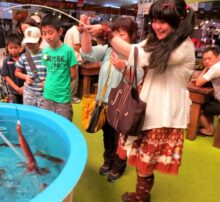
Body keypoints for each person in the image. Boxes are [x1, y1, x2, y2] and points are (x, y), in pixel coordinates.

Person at [82, 0, 196, 201]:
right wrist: (95, 33)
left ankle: (141, 196)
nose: (157, 26)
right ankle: (140, 194)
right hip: (145, 107)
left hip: (164, 113)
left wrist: (108, 35)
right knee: (141, 159)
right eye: (154, 20)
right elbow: (135, 51)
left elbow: (141, 56)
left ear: (179, 21)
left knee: (145, 162)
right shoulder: (155, 41)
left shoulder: (184, 47)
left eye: (164, 21)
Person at [80, 17, 142, 183]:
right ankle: (108, 160)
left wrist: (124, 68)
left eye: (121, 35)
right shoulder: (108, 49)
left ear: (132, 36)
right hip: (104, 103)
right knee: (107, 135)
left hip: (122, 105)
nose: (117, 38)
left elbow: (138, 79)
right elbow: (87, 53)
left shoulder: (135, 53)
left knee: (119, 138)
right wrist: (85, 31)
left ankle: (118, 166)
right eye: (114, 34)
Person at [40, 14, 77, 121]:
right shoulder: (45, 51)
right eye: (44, 33)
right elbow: (49, 71)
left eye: (51, 32)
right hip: (47, 95)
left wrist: (62, 84)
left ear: (59, 31)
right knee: (49, 124)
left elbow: (73, 75)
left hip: (63, 97)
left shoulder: (68, 50)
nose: (47, 36)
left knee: (64, 124)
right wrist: (46, 82)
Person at [15, 26, 46, 107]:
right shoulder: (24, 56)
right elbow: (17, 72)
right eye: (28, 43)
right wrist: (26, 77)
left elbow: (52, 70)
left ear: (40, 40)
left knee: (43, 115)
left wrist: (48, 81)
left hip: (44, 92)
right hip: (29, 92)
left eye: (33, 42)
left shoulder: (46, 54)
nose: (30, 45)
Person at [195, 46, 220, 136]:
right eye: (204, 59)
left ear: (218, 57)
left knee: (197, 108)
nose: (206, 61)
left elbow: (198, 83)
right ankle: (209, 125)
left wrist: (205, 69)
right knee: (208, 100)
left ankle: (208, 130)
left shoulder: (216, 67)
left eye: (209, 58)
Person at [0, 34, 24, 104]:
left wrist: (23, 88)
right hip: (13, 91)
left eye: (16, 47)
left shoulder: (25, 59)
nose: (13, 50)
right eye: (11, 48)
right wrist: (17, 88)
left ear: (20, 47)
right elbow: (6, 76)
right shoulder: (6, 61)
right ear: (7, 48)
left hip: (26, 90)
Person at [64, 23, 83, 104]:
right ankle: (71, 97)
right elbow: (76, 46)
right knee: (74, 79)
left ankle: (68, 96)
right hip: (73, 58)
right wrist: (85, 54)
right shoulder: (75, 31)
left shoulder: (70, 30)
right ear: (79, 24)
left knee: (69, 78)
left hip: (67, 57)